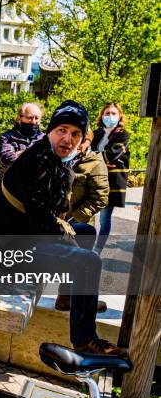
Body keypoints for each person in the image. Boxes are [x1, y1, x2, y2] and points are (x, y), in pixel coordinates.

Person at [0, 100, 124, 356]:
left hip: (24, 237)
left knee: (86, 231)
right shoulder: (38, 162)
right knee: (88, 262)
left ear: (83, 138)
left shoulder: (52, 158)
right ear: (49, 131)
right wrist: (70, 244)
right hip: (9, 252)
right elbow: (45, 225)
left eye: (76, 134)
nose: (68, 139)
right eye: (62, 130)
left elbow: (54, 215)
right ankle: (84, 340)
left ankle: (70, 295)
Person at [55, 129, 109, 311]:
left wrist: (75, 217)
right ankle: (64, 298)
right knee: (67, 262)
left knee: (83, 263)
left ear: (90, 142)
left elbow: (100, 198)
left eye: (85, 140)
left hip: (80, 222)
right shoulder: (62, 157)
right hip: (58, 220)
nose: (80, 143)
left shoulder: (95, 162)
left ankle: (84, 303)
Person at [91, 103, 129, 254]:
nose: (110, 116)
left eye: (114, 113)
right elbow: (86, 152)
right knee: (85, 213)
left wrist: (95, 158)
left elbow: (114, 154)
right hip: (92, 179)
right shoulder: (96, 133)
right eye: (107, 113)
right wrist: (104, 161)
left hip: (111, 182)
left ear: (120, 116)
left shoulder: (123, 135)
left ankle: (97, 250)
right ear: (102, 115)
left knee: (104, 219)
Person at [0, 102, 44, 183]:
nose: (33, 121)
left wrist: (20, 154)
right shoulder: (7, 137)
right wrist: (35, 155)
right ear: (20, 118)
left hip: (36, 191)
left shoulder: (45, 139)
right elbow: (7, 159)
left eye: (36, 118)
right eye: (30, 118)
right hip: (10, 190)